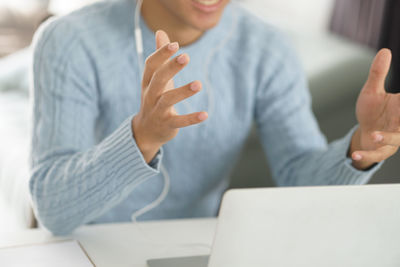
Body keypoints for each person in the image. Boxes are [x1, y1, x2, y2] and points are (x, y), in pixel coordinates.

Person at [30, 0, 400, 236]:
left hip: (203, 247)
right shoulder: (69, 40)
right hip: (87, 247)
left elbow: (301, 177)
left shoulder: (266, 48)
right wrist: (141, 137)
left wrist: (361, 149)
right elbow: (52, 208)